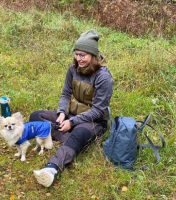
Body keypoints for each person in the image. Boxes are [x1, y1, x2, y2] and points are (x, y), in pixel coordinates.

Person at [30, 29, 114, 187]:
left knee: (79, 132)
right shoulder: (73, 69)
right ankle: (71, 140)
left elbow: (97, 111)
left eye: (83, 55)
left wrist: (73, 122)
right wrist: (62, 113)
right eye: (76, 54)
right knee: (36, 116)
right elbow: (65, 94)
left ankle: (52, 169)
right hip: (71, 115)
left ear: (92, 55)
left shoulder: (104, 77)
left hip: (94, 121)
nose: (78, 58)